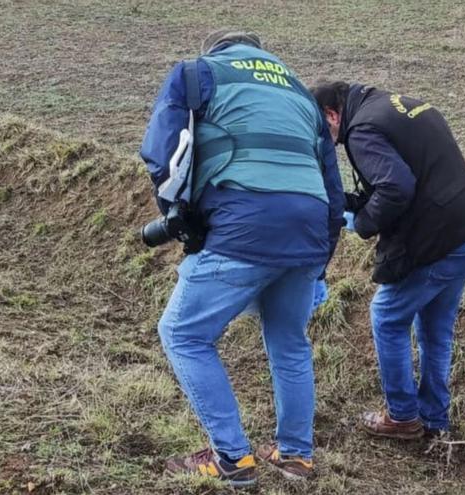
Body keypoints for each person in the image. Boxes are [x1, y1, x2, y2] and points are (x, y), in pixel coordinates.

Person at [140, 31, 344, 486]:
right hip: (309, 228)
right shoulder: (297, 90)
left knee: (183, 332)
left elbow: (163, 154)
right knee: (289, 340)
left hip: (245, 222)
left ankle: (232, 457)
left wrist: (178, 215)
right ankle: (296, 456)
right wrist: (319, 261)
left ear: (218, 49)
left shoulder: (197, 73)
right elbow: (333, 187)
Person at [310, 81, 465, 440]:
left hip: (441, 240)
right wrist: (350, 202)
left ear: (332, 114)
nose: (324, 139)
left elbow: (396, 187)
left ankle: (402, 417)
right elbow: (407, 177)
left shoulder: (363, 130)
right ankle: (434, 420)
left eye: (321, 128)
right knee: (434, 329)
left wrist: (363, 223)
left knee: (387, 316)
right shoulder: (394, 105)